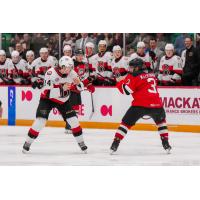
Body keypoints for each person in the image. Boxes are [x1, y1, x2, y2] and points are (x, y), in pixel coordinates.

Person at [22, 56, 88, 153]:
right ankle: (27, 143)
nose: (69, 70)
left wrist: (79, 84)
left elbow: (80, 88)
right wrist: (62, 88)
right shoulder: (50, 73)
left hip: (63, 101)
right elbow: (48, 92)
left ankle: (81, 143)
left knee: (73, 120)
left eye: (70, 67)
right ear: (61, 66)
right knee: (40, 121)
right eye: (67, 68)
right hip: (47, 99)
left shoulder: (72, 73)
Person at [110, 58, 171, 154]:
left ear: (137, 68)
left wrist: (119, 82)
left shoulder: (133, 75)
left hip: (140, 105)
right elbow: (142, 82)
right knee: (161, 122)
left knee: (125, 124)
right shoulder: (152, 75)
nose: (129, 69)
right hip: (157, 105)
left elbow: (126, 91)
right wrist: (126, 79)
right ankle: (166, 143)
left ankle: (115, 143)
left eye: (131, 67)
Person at [64, 49, 95, 134]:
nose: (80, 57)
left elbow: (83, 78)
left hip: (77, 90)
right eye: (79, 55)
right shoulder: (71, 64)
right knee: (71, 108)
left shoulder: (84, 65)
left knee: (77, 108)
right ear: (75, 55)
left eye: (82, 55)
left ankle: (72, 125)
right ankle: (69, 126)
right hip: (71, 89)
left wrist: (88, 84)